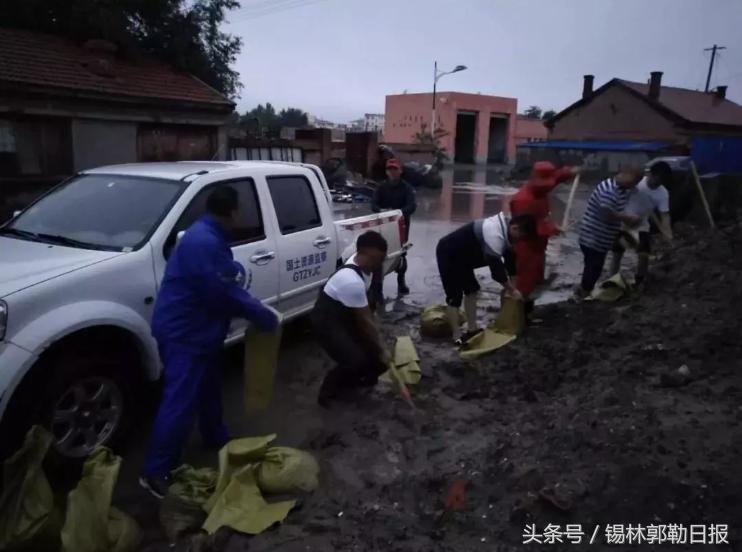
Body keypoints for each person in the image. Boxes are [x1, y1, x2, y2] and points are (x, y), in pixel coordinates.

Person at [140, 186, 279, 498]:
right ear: (232, 211)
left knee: (208, 387)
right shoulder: (204, 241)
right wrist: (262, 315)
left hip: (201, 330)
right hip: (185, 333)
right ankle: (156, 471)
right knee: (181, 400)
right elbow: (222, 291)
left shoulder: (205, 234)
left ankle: (216, 436)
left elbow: (222, 276)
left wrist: (235, 274)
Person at [311, 231, 390, 407]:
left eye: (381, 260)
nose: (379, 265)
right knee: (353, 359)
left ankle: (356, 384)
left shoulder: (367, 267)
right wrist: (382, 347)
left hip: (344, 315)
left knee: (375, 357)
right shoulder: (351, 281)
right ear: (363, 253)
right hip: (326, 321)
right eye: (376, 260)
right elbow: (366, 321)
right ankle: (327, 394)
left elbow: (367, 312)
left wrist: (378, 347)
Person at [436, 212, 537, 345]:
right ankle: (456, 335)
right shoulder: (494, 234)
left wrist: (514, 283)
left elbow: (510, 259)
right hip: (448, 253)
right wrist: (512, 290)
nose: (520, 241)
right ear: (515, 228)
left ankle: (472, 329)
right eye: (521, 238)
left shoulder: (507, 232)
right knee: (454, 297)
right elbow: (496, 271)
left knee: (472, 290)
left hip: (464, 258)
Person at [509, 162, 578, 312]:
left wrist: (569, 172)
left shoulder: (542, 186)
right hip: (526, 244)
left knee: (537, 276)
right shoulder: (523, 201)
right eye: (544, 185)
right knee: (524, 280)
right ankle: (519, 312)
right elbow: (530, 228)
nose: (548, 188)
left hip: (539, 243)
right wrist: (554, 228)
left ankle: (529, 303)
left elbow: (556, 177)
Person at [574, 168, 643, 300]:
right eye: (634, 181)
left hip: (601, 237)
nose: (633, 185)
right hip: (593, 236)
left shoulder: (621, 189)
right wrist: (627, 218)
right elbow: (607, 215)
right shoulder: (608, 190)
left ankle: (584, 290)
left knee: (593, 265)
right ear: (624, 174)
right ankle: (583, 293)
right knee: (594, 267)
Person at [609, 161, 673, 285]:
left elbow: (665, 215)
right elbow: (619, 193)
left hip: (642, 226)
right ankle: (611, 281)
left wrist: (668, 233)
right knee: (617, 253)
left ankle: (639, 281)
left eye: (661, 180)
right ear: (650, 174)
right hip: (624, 224)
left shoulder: (663, 194)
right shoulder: (637, 183)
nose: (656, 182)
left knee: (644, 255)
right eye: (656, 178)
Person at [370, 158, 417, 302]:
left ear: (400, 171)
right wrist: (382, 211)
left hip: (401, 225)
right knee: (380, 255)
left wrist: (399, 213)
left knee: (401, 253)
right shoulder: (381, 187)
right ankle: (378, 287)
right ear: (386, 172)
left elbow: (412, 206)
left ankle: (401, 281)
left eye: (395, 169)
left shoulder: (407, 188)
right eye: (389, 169)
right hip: (384, 226)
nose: (392, 172)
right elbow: (373, 204)